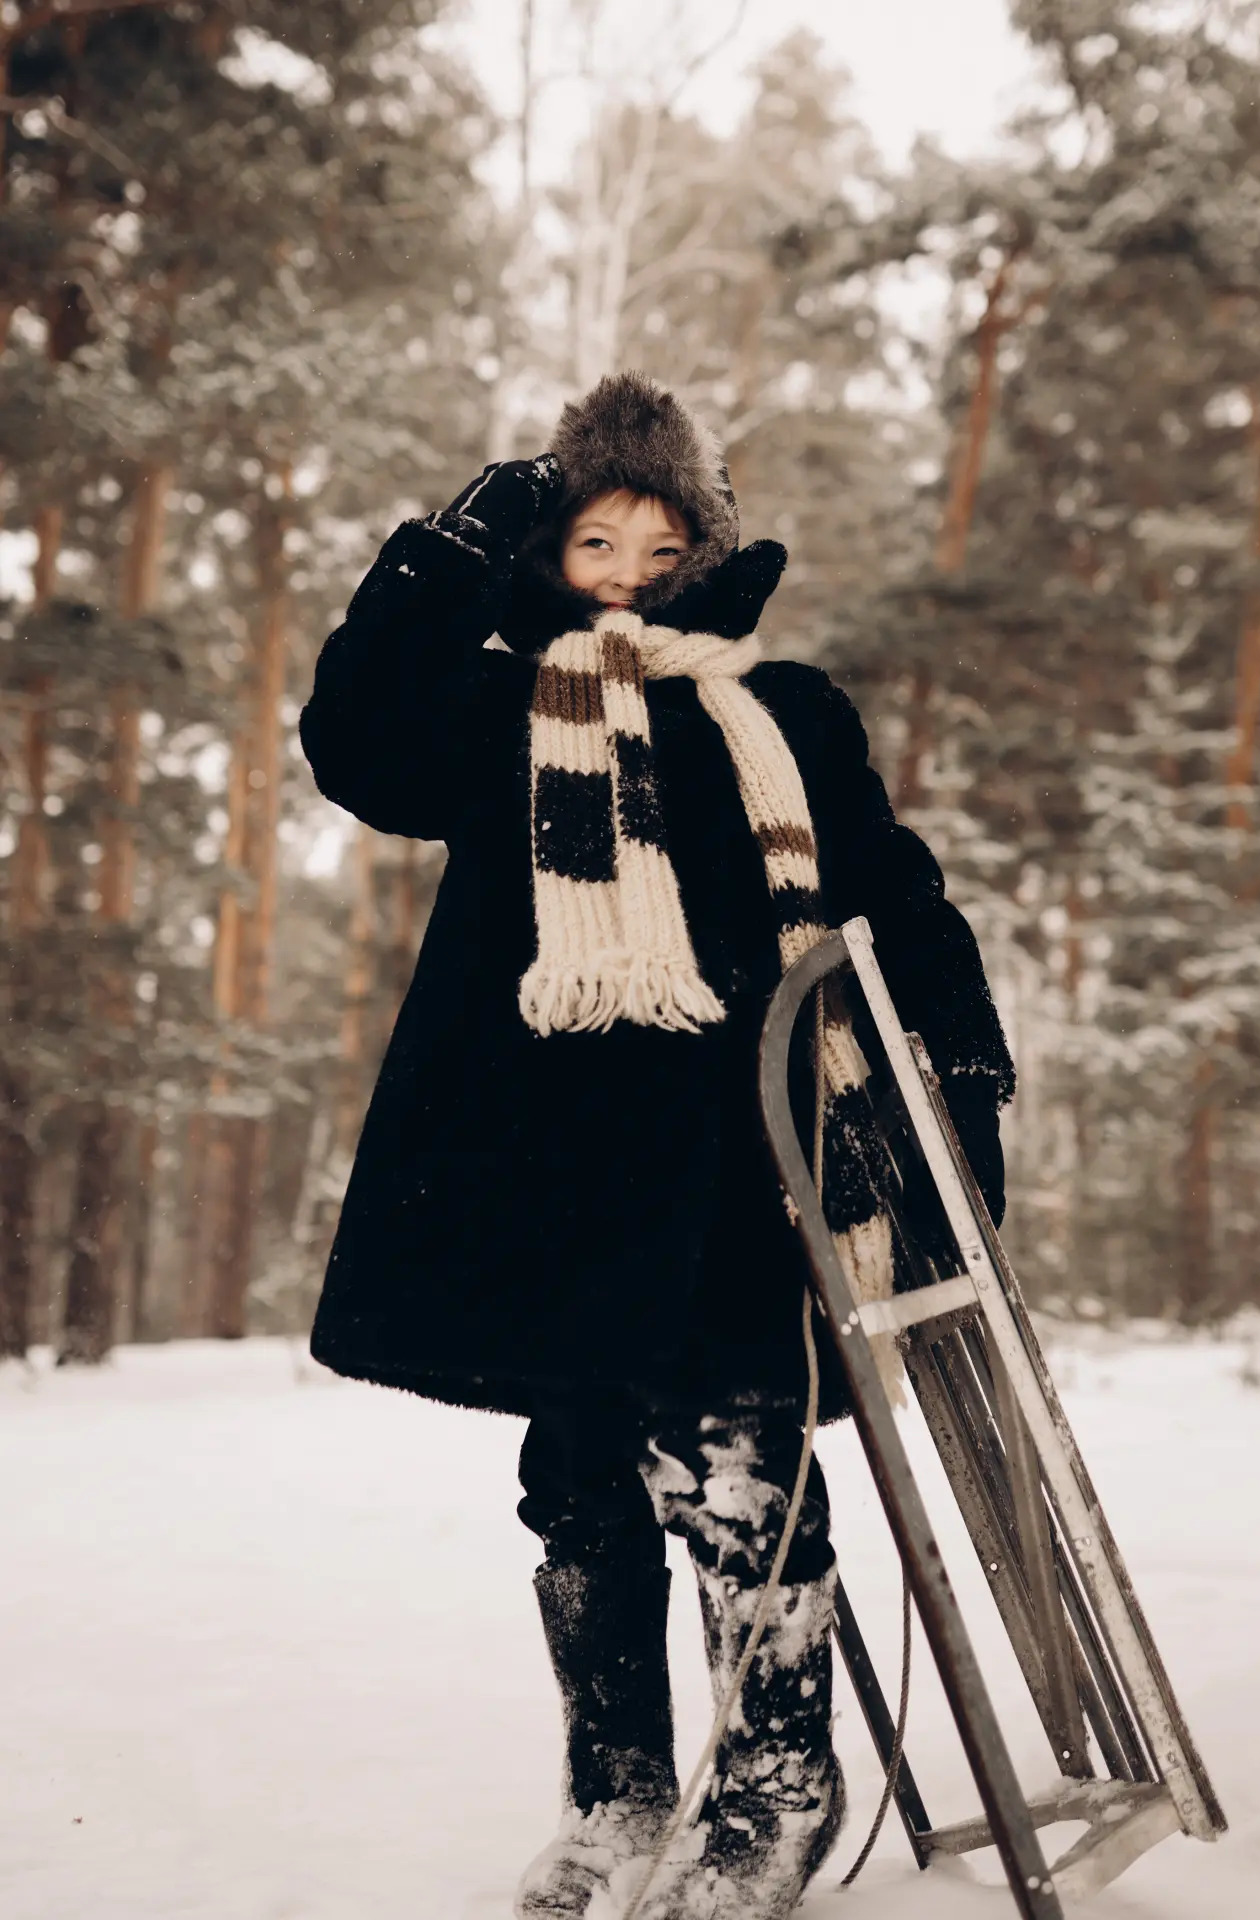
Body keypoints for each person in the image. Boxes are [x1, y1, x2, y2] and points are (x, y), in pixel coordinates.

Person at [300, 373, 1015, 1919]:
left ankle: (775, 1789)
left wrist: (962, 1074)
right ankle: (616, 1790)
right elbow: (353, 739)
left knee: (740, 1468)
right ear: (549, 555)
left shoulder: (787, 713)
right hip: (544, 1172)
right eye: (594, 540)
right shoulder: (493, 711)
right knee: (580, 1480)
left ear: (707, 555)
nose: (626, 572)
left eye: (660, 544)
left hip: (737, 1168)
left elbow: (896, 900)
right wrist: (445, 549)